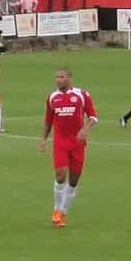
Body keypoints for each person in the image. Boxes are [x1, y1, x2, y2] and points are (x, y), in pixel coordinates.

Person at [39, 68, 96, 228]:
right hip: (60, 142)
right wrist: (43, 139)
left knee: (73, 181)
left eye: (61, 76)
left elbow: (93, 116)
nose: (58, 79)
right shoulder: (52, 97)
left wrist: (85, 129)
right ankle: (57, 210)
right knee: (60, 175)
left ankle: (63, 212)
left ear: (69, 78)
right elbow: (48, 121)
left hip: (77, 143)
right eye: (56, 77)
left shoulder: (82, 95)